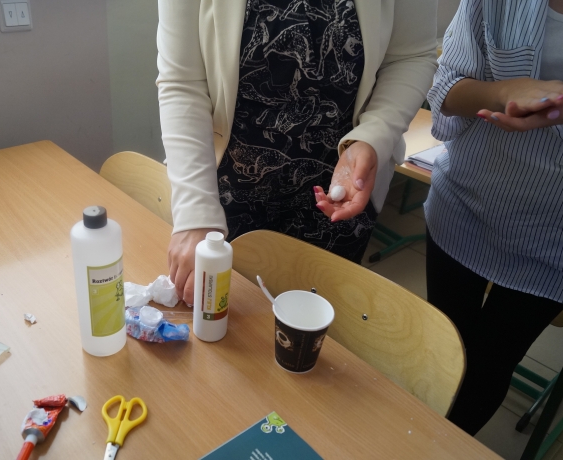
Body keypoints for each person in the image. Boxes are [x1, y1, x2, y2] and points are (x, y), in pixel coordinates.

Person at [157, 0, 439, 302]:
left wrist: (373, 136)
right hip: (220, 192)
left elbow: (410, 57)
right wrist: (196, 214)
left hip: (340, 192)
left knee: (320, 319)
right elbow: (183, 83)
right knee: (221, 318)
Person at [425, 0, 563, 436]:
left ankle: (444, 445)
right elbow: (444, 88)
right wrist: (502, 92)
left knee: (489, 365)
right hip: (464, 204)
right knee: (441, 345)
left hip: (553, 240)